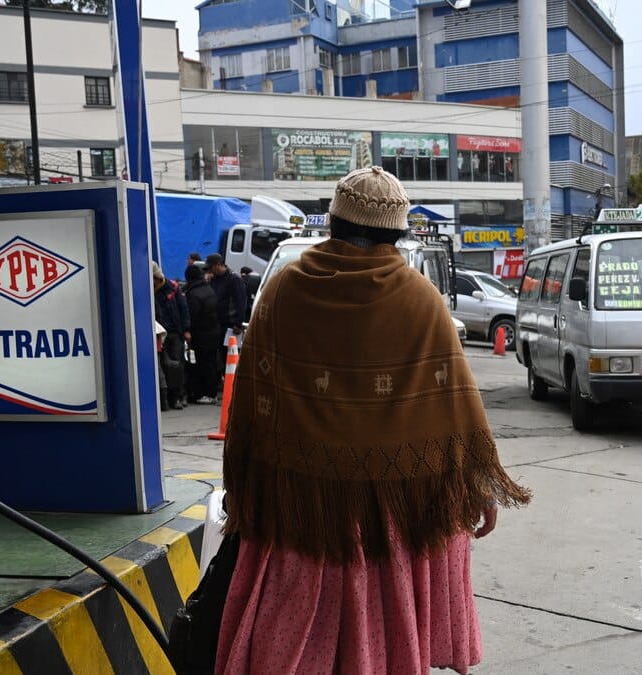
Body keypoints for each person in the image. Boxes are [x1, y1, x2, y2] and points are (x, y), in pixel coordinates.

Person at [216, 166, 531, 674]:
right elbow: (452, 405)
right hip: (391, 525)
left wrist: (241, 489)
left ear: (333, 226)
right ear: (398, 234)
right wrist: (474, 489)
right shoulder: (420, 299)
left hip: (299, 516)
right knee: (382, 648)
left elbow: (252, 403)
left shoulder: (284, 290)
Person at [205, 253, 248, 397]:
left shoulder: (234, 279)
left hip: (230, 326)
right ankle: (226, 385)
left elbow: (240, 302)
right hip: (217, 324)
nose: (210, 271)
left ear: (218, 265)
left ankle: (234, 387)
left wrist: (238, 322)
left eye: (211, 268)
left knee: (230, 357)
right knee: (221, 358)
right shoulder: (215, 280)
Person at [152, 261, 190, 411]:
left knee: (177, 365)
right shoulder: (149, 290)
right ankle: (167, 398)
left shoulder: (172, 288)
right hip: (160, 334)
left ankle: (178, 396)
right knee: (165, 366)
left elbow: (184, 309)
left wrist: (186, 329)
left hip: (174, 332)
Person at [184, 263, 221, 405]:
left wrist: (187, 330)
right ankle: (211, 392)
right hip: (213, 331)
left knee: (202, 364)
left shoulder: (193, 294)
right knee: (211, 363)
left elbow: (192, 316)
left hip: (201, 334)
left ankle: (206, 393)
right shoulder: (208, 289)